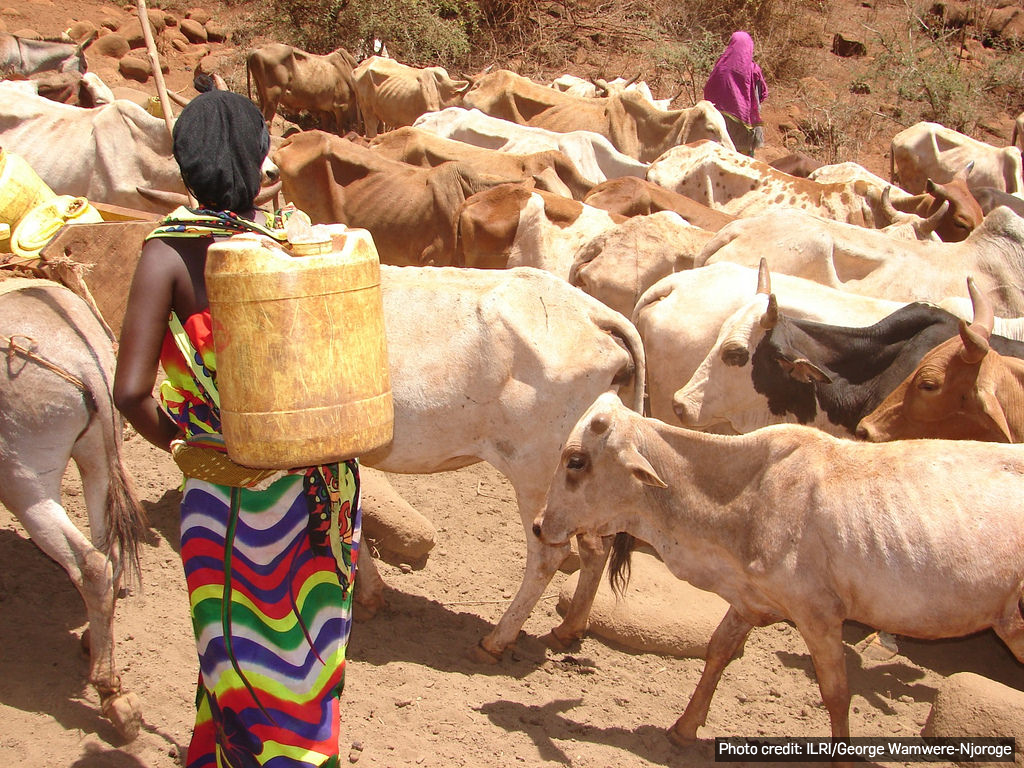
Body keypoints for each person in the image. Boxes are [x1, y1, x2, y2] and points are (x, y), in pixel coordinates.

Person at [113, 89, 361, 768]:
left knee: (234, 660)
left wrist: (190, 449)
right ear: (261, 163)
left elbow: (130, 391)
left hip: (222, 507)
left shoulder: (166, 256)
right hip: (314, 497)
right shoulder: (299, 244)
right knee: (307, 665)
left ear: (184, 167)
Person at [703, 30, 769, 157]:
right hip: (743, 125)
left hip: (718, 120)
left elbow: (709, 90)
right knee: (741, 161)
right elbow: (759, 96)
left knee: (720, 156)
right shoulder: (753, 70)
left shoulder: (720, 65)